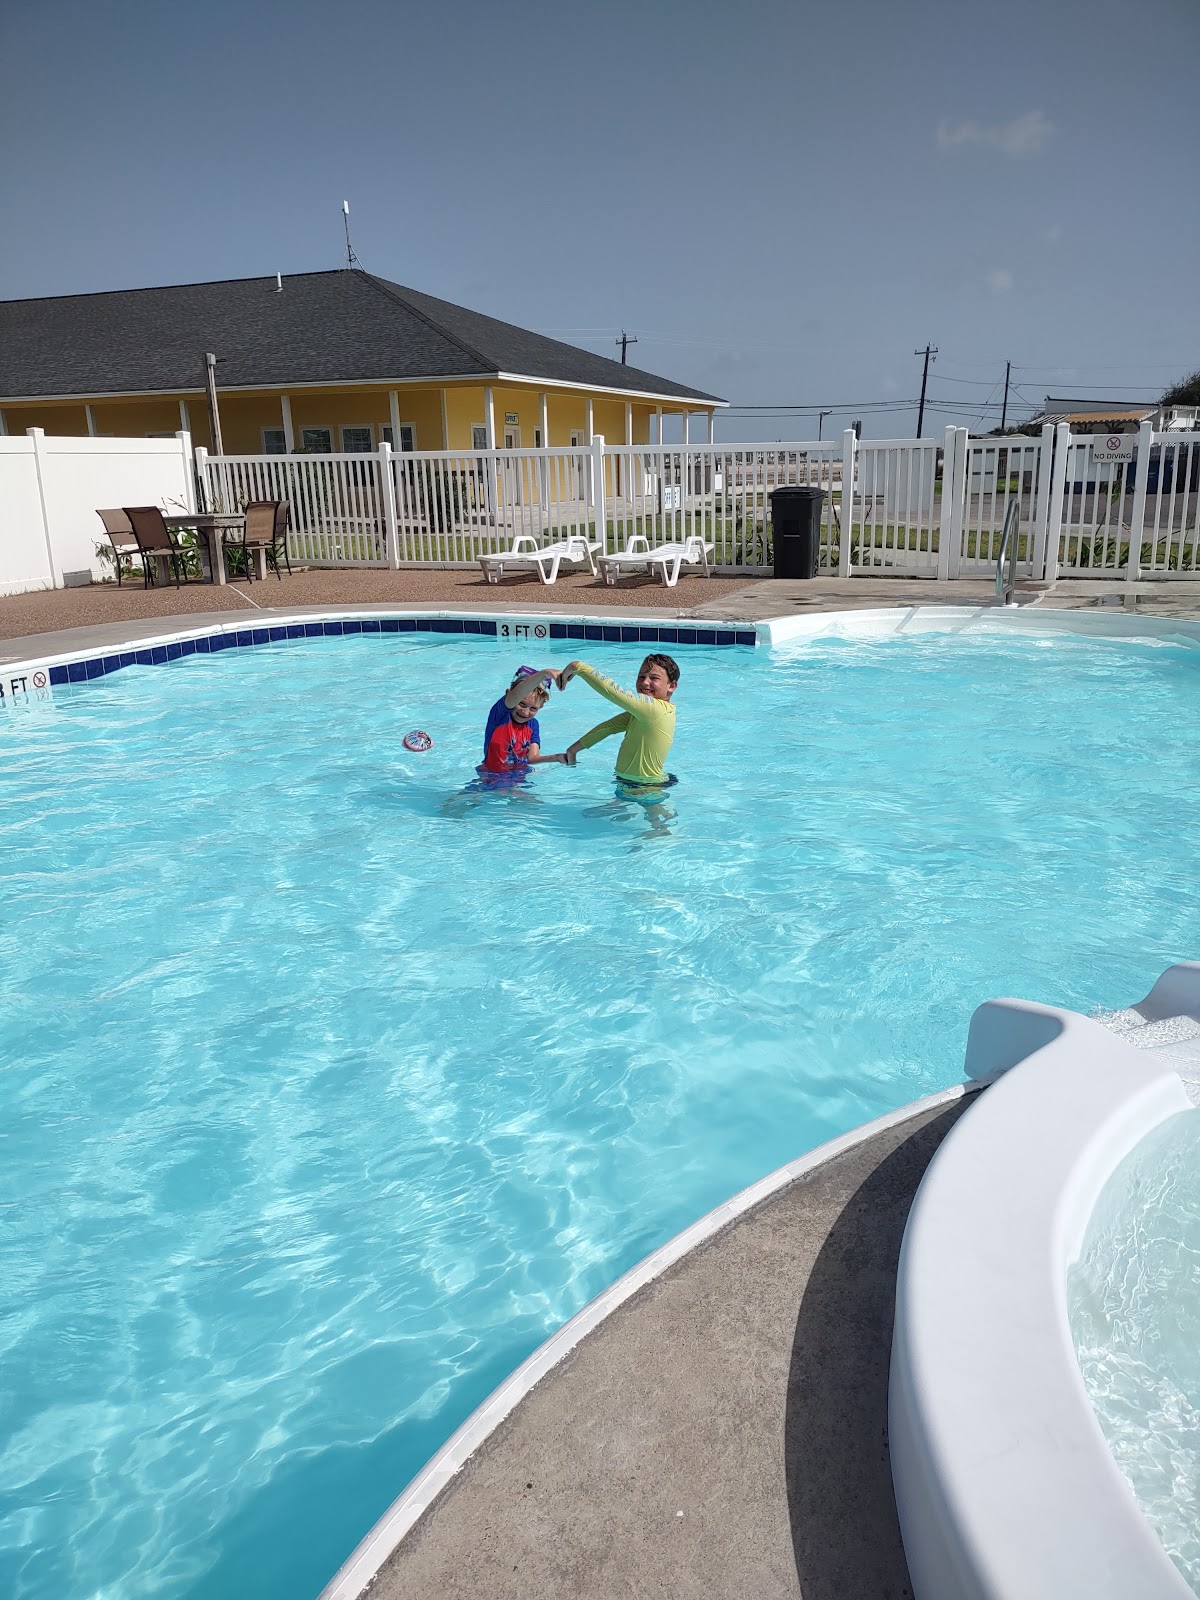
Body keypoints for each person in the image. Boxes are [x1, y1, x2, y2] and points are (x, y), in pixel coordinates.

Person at [559, 654, 679, 787]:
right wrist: (573, 750)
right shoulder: (648, 713)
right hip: (637, 783)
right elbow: (608, 728)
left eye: (654, 678)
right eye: (641, 677)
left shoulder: (654, 710)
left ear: (672, 686)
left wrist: (578, 667)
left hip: (644, 789)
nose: (645, 682)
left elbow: (613, 691)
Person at [478, 666, 573, 775]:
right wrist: (545, 674)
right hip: (492, 777)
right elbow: (516, 695)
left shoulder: (533, 725)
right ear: (508, 694)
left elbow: (532, 758)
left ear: (541, 707)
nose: (525, 712)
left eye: (533, 708)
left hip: (519, 779)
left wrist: (557, 757)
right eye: (522, 704)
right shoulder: (500, 716)